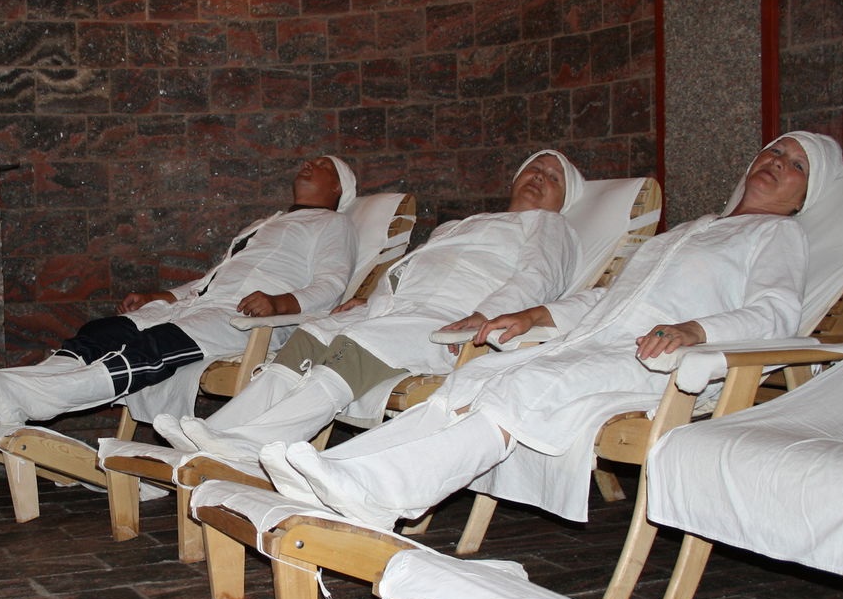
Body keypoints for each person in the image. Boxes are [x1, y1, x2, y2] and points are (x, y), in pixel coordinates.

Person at [261, 132, 842, 531]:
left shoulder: (777, 236)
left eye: (795, 165)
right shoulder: (685, 233)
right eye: (773, 151)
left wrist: (696, 329)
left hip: (663, 362)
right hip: (596, 341)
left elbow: (775, 315)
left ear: (804, 195)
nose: (777, 163)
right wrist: (537, 315)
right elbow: (611, 299)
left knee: (525, 387)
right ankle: (344, 473)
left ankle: (383, 493)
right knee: (477, 377)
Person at [155, 150, 586, 465]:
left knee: (357, 347)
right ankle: (218, 432)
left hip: (450, 319)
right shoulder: (461, 225)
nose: (539, 176)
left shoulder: (551, 227)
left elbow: (538, 278)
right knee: (313, 335)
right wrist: (374, 298)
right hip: (399, 309)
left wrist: (489, 314)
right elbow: (410, 269)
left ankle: (254, 445)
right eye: (533, 168)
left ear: (563, 199)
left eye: (553, 177)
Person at [0, 156, 360, 425]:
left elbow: (332, 284)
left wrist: (279, 303)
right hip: (203, 304)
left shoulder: (333, 224)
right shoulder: (266, 224)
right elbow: (213, 280)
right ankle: (7, 389)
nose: (309, 165)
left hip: (249, 320)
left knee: (153, 348)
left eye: (322, 165)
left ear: (338, 187)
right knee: (104, 331)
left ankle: (28, 398)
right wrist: (164, 296)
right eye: (308, 161)